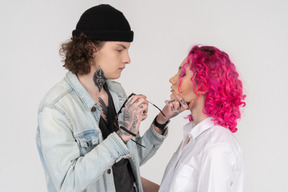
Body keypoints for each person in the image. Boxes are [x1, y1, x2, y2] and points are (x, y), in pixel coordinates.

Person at [36, 4, 177, 192]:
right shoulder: (57, 108)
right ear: (90, 48)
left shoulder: (117, 93)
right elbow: (67, 183)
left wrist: (160, 122)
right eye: (120, 50)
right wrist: (122, 135)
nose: (128, 59)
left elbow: (127, 160)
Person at [143, 45, 246, 192]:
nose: (172, 79)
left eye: (183, 73)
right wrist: (129, 177)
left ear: (203, 85)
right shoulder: (193, 136)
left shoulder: (217, 147)